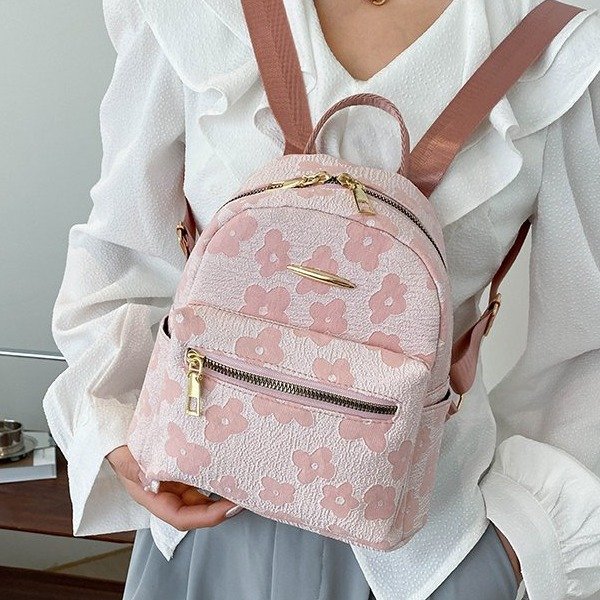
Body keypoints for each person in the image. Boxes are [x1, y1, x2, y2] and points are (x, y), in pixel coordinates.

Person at [42, 0, 600, 598]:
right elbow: (122, 257)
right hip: (204, 517)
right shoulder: (199, 13)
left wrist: (520, 539)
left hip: (427, 555)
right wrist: (118, 429)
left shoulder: (556, 37)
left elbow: (584, 341)